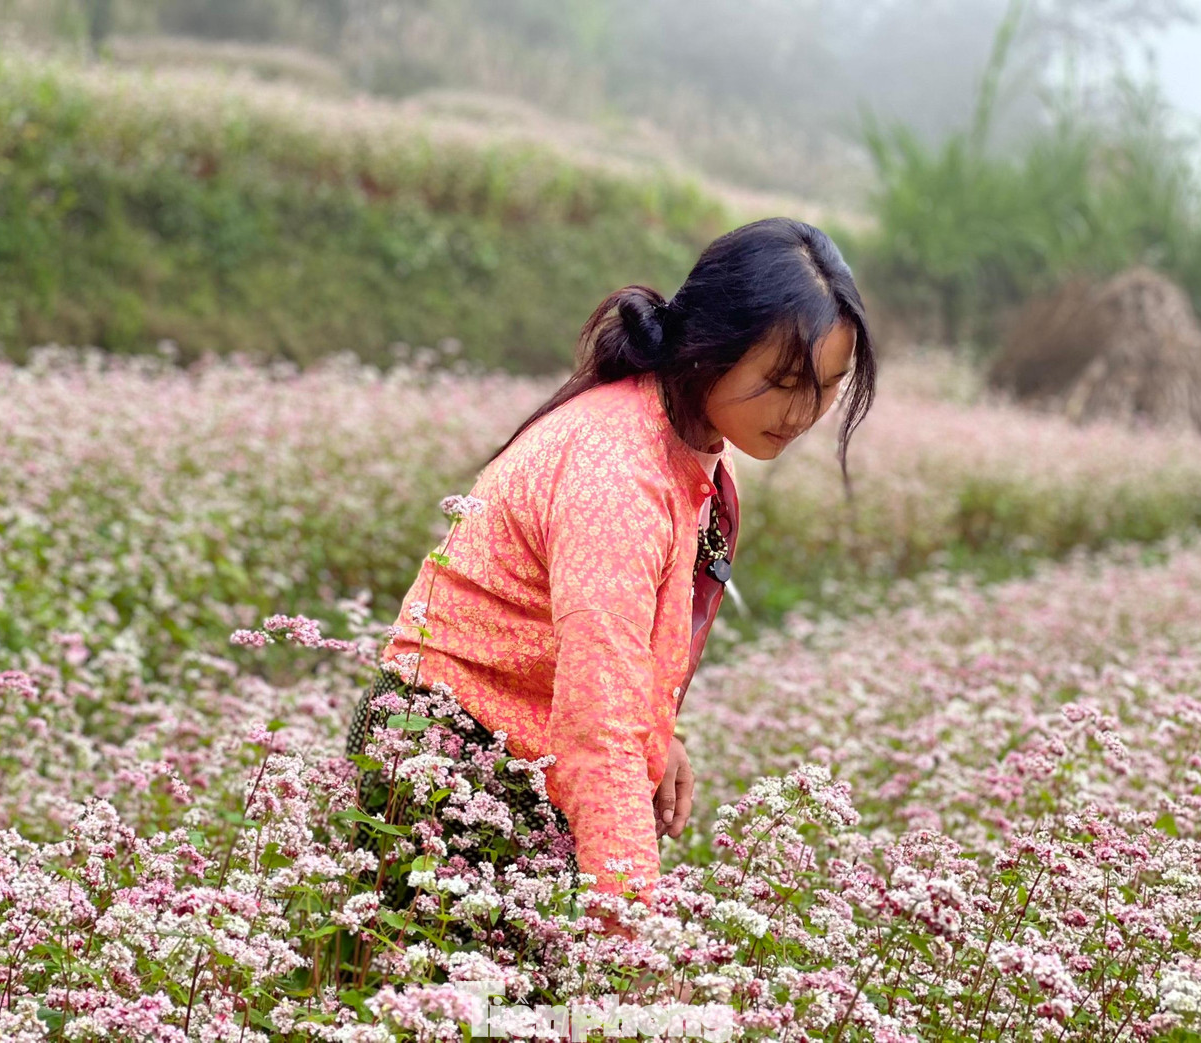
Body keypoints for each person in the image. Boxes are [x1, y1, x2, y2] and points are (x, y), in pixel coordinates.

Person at [346, 215, 876, 945]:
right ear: (712, 345)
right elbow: (597, 732)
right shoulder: (618, 475)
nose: (804, 412)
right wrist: (630, 941)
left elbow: (622, 651)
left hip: (517, 754)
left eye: (827, 386)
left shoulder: (690, 441)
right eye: (784, 382)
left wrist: (659, 730)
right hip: (443, 758)